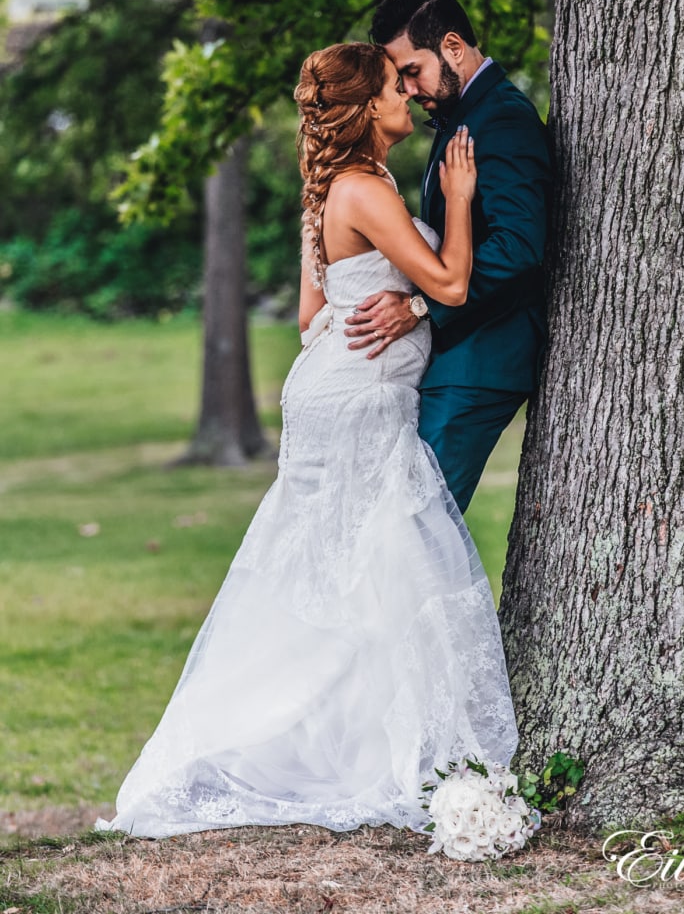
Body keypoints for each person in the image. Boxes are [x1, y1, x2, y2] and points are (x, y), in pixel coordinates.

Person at [96, 42, 518, 840]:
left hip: (332, 392)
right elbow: (454, 283)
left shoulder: (336, 189)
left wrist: (387, 306)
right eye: (397, 86)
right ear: (363, 109)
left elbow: (306, 318)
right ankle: (362, 745)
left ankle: (328, 734)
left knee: (337, 569)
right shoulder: (361, 187)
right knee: (390, 560)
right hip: (361, 405)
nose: (409, 96)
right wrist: (458, 199)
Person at [345, 0, 553, 517]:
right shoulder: (465, 114)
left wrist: (418, 307)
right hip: (455, 352)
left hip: (483, 359)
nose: (409, 90)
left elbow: (519, 246)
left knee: (416, 524)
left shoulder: (500, 118)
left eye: (412, 71)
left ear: (453, 46)